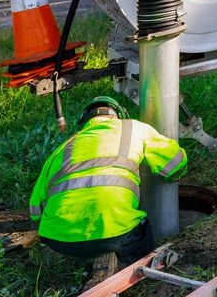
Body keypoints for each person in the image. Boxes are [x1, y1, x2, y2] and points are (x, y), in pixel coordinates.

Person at [29, 96, 188, 289]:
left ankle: (89, 259)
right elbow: (175, 164)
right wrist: (176, 175)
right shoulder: (134, 128)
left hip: (59, 240)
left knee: (87, 243)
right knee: (140, 236)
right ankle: (129, 273)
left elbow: (35, 211)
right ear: (118, 116)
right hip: (116, 232)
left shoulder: (60, 150)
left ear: (84, 123)